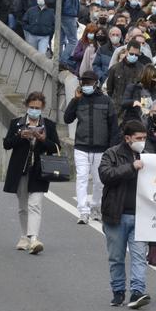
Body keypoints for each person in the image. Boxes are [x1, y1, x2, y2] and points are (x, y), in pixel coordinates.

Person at [98, 119, 151, 309]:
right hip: (116, 215)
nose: (142, 141)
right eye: (138, 138)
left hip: (140, 215)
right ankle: (118, 291)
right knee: (116, 257)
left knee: (139, 256)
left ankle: (137, 291)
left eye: (144, 138)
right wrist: (131, 167)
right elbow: (105, 175)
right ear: (128, 138)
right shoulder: (111, 154)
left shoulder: (148, 156)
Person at [3, 92, 61, 255]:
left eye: (37, 108)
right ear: (26, 107)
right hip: (20, 170)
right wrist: (20, 135)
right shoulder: (16, 123)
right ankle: (24, 237)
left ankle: (34, 238)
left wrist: (42, 139)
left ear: (42, 108)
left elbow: (56, 147)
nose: (34, 110)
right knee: (23, 206)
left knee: (35, 204)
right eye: (32, 107)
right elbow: (7, 144)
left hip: (40, 171)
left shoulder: (48, 125)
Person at [63, 71, 119, 224]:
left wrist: (112, 149)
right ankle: (83, 211)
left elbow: (114, 126)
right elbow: (67, 118)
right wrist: (75, 100)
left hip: (102, 148)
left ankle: (96, 207)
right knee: (81, 178)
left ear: (96, 83)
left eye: (89, 83)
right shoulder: (78, 101)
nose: (86, 86)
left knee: (99, 181)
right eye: (84, 83)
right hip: (81, 146)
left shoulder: (106, 101)